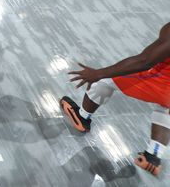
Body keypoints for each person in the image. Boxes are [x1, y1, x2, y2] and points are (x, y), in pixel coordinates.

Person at [60, 22, 170, 177]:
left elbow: (144, 61)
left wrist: (99, 73)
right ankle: (152, 157)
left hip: (161, 82)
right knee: (164, 109)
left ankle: (82, 117)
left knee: (105, 82)